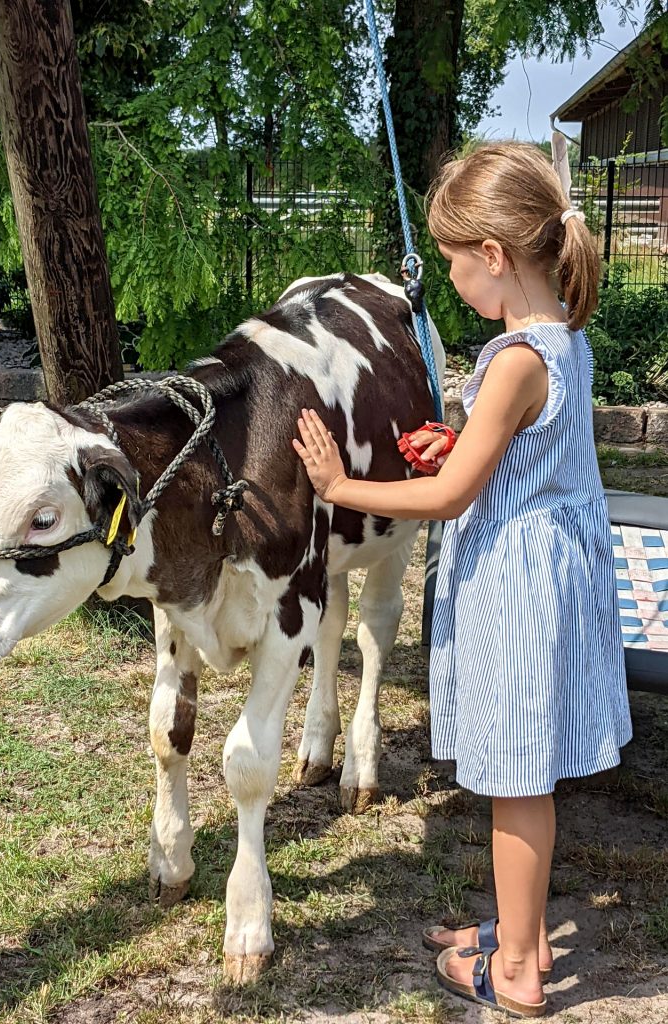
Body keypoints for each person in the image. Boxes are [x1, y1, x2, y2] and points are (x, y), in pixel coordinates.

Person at [292, 141, 632, 1019]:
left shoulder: (519, 359)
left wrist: (338, 487)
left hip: (522, 588)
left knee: (518, 780)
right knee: (521, 778)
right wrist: (466, 441)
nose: (450, 284)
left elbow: (446, 498)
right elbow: (525, 448)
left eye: (452, 264)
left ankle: (518, 968)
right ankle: (513, 927)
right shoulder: (558, 339)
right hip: (544, 570)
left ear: (493, 256)